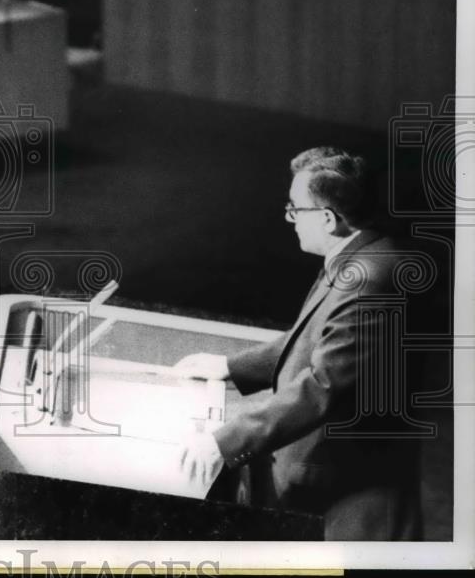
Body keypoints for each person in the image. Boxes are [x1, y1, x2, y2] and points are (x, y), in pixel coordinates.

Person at [175, 147, 423, 540]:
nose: (289, 219)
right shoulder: (360, 255)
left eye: (295, 209)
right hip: (330, 475)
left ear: (327, 219)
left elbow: (324, 386)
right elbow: (311, 339)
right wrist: (230, 366)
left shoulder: (367, 280)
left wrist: (225, 441)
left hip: (349, 500)